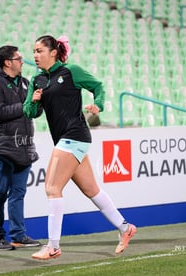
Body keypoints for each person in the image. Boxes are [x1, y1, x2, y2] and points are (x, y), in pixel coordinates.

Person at [23, 35, 136, 260]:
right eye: (34, 51)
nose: (35, 55)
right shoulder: (37, 80)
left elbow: (98, 86)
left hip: (74, 135)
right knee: (91, 190)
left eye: (39, 51)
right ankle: (125, 228)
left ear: (53, 52)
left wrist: (99, 104)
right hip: (66, 139)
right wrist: (34, 101)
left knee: (52, 188)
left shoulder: (71, 71)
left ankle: (53, 246)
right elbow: (29, 112)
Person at [0, 45, 42, 250]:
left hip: (24, 147)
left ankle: (18, 235)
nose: (22, 61)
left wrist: (40, 101)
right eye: (19, 58)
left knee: (18, 193)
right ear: (8, 62)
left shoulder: (25, 83)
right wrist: (27, 103)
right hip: (3, 147)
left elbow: (33, 113)